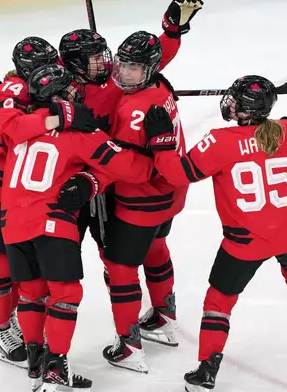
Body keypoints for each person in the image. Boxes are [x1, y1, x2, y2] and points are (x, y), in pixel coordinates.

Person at [141, 75, 287, 391]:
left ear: (245, 110)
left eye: (235, 101)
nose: (229, 104)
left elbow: (174, 174)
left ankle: (207, 369)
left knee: (220, 300)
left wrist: (161, 141)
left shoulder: (220, 141)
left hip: (246, 242)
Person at [0, 63, 155, 390]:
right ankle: (56, 370)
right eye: (69, 88)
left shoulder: (20, 126)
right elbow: (133, 168)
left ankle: (36, 359)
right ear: (61, 93)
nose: (75, 90)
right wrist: (154, 147)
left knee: (30, 293)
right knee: (66, 294)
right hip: (52, 222)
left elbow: (6, 124)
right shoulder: (82, 133)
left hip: (11, 224)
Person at [57, 30, 188, 373]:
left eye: (132, 69)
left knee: (120, 268)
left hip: (141, 200)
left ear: (148, 69)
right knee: (156, 248)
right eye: (122, 65)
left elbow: (126, 165)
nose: (120, 73)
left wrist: (91, 180)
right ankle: (165, 317)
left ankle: (130, 346)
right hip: (170, 194)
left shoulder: (132, 107)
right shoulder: (162, 86)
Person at [56, 0, 204, 292]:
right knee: (60, 255)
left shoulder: (118, 77)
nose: (104, 63)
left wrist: (173, 29)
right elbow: (30, 83)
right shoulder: (60, 86)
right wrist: (2, 91)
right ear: (74, 64)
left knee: (112, 252)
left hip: (107, 180)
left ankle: (126, 303)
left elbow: (155, 57)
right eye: (94, 59)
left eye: (102, 55)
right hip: (71, 179)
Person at [0, 36, 59, 368]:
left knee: (33, 260)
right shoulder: (12, 92)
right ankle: (2, 329)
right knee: (1, 259)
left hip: (32, 191)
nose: (47, 73)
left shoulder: (56, 83)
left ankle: (29, 318)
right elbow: (4, 137)